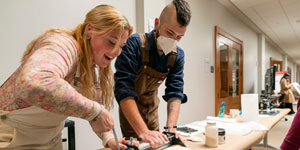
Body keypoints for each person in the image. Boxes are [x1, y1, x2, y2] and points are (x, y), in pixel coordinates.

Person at [0, 4, 134, 150]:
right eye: (111, 42)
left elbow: (93, 103)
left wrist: (108, 138)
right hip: (13, 139)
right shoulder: (63, 44)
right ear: (90, 30)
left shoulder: (91, 65)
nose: (116, 52)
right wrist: (95, 112)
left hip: (50, 141)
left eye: (121, 46)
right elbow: (34, 82)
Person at [114, 0, 191, 148]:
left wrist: (170, 129)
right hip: (131, 111)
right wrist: (142, 131)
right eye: (169, 32)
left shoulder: (177, 55)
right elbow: (123, 90)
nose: (173, 40)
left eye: (179, 36)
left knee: (158, 144)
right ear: (157, 23)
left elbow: (175, 91)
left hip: (151, 110)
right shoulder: (134, 44)